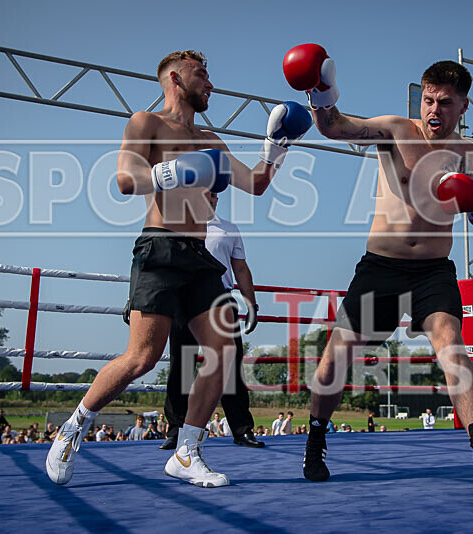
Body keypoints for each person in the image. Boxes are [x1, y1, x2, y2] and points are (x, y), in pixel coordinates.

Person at [45, 49, 310, 488]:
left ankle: (187, 451)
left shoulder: (212, 140)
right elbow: (126, 179)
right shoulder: (145, 123)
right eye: (201, 74)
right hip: (160, 248)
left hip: (199, 253)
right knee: (142, 358)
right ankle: (72, 429)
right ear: (174, 78)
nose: (211, 84)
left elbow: (257, 184)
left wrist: (276, 145)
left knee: (223, 350)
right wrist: (178, 171)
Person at [286, 47, 473, 497]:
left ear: (463, 104)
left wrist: (471, 199)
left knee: (452, 347)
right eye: (428, 99)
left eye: (445, 102)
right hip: (380, 268)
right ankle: (315, 439)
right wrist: (320, 90)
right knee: (336, 355)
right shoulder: (394, 130)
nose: (434, 110)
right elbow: (333, 127)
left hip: (432, 272)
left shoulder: (466, 151)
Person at [159, 191, 263, 450]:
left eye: (216, 194)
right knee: (182, 366)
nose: (213, 198)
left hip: (221, 299)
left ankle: (241, 429)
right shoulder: (177, 224)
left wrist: (251, 302)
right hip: (183, 298)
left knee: (229, 365)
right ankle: (176, 429)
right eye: (207, 193)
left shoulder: (228, 229)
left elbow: (240, 267)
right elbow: (160, 263)